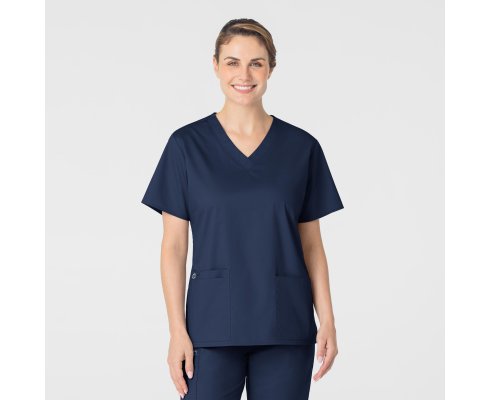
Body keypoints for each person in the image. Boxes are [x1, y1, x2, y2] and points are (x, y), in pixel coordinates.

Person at [141, 18, 344, 400]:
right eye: (233, 62)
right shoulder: (186, 146)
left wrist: (328, 319)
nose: (244, 75)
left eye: (256, 63)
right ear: (215, 66)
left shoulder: (301, 148)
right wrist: (176, 330)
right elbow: (174, 246)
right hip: (209, 328)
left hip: (285, 324)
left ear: (271, 68)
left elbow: (312, 245)